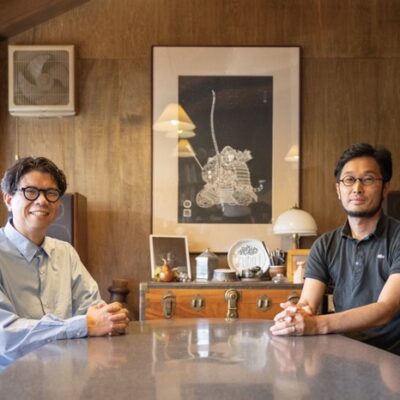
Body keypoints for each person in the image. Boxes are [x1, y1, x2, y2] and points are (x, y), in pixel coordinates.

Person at [270, 143, 400, 354]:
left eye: (368, 179)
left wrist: (317, 324)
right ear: (338, 189)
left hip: (391, 357)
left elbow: (386, 309)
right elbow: (308, 303)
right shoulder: (325, 244)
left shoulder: (397, 238)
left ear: (384, 188)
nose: (357, 188)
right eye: (349, 180)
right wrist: (294, 315)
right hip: (343, 352)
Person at [0, 156, 130, 366]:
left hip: (65, 376)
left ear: (58, 203)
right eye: (30, 191)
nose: (42, 201)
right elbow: (5, 336)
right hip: (11, 380)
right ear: (8, 199)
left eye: (51, 193)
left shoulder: (66, 252)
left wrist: (111, 316)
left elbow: (92, 310)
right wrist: (84, 325)